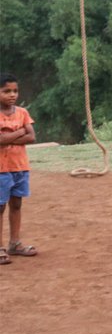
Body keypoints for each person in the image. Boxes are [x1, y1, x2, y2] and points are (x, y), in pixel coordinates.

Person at [1, 73, 38, 265]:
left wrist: (10, 137)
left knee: (16, 204)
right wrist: (21, 131)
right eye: (6, 91)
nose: (12, 94)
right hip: (1, 170)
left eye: (15, 91)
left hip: (20, 167)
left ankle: (14, 243)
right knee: (0, 206)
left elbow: (32, 137)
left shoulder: (22, 112)